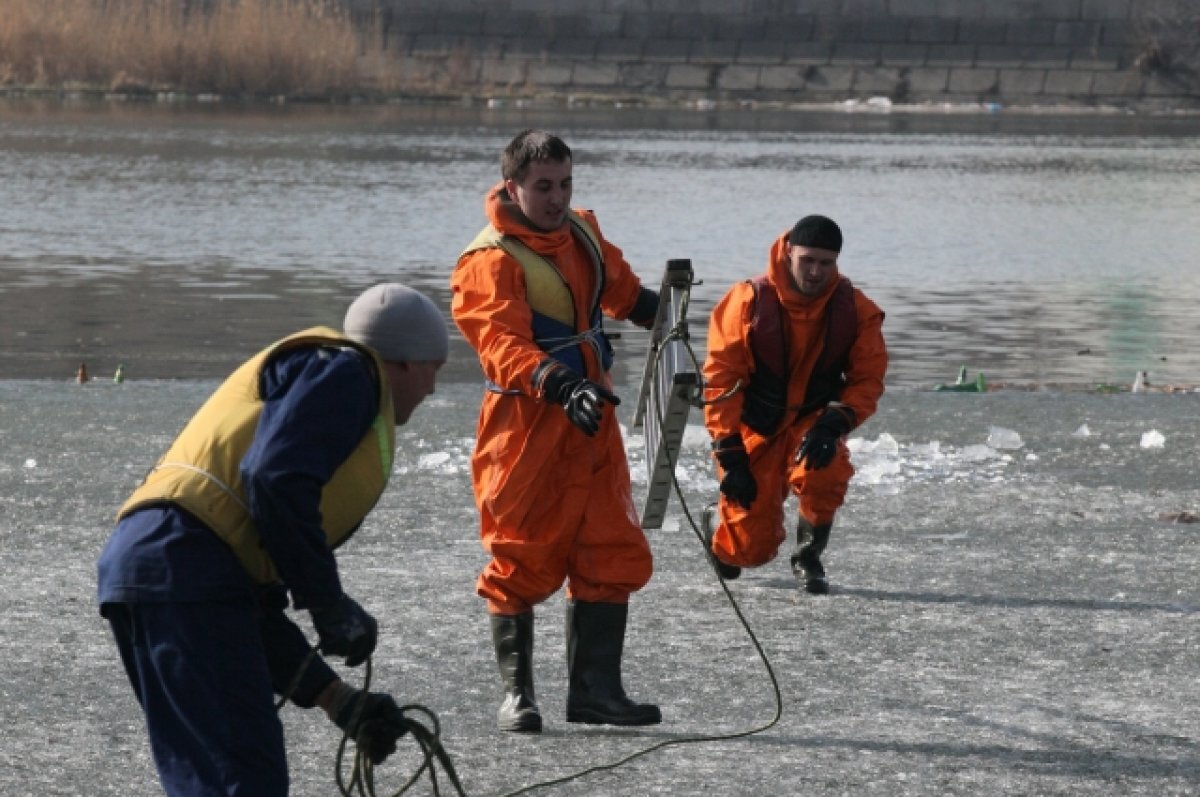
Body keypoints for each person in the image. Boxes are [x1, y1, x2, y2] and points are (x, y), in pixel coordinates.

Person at [96, 283, 449, 796]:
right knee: (243, 783)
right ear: (403, 361)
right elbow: (275, 477)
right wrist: (328, 604)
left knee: (213, 781)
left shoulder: (319, 385)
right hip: (183, 574)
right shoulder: (349, 373)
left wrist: (337, 699)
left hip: (154, 574)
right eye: (433, 371)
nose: (432, 390)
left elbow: (247, 604)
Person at [450, 129, 661, 734]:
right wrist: (562, 384)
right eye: (543, 187)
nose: (556, 198)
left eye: (565, 184)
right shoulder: (489, 260)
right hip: (525, 427)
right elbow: (499, 344)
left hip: (594, 422)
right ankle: (518, 696)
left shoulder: (584, 234)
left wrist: (661, 314)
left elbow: (619, 290)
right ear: (513, 186)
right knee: (518, 552)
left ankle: (596, 691)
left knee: (608, 546)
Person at [701, 215, 887, 594]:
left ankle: (808, 557)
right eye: (808, 260)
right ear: (788, 253)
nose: (816, 271)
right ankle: (717, 522)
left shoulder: (856, 309)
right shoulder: (747, 301)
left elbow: (868, 379)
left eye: (826, 262)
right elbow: (721, 380)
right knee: (747, 552)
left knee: (826, 469)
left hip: (811, 420)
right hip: (757, 425)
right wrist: (729, 451)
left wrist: (835, 423)